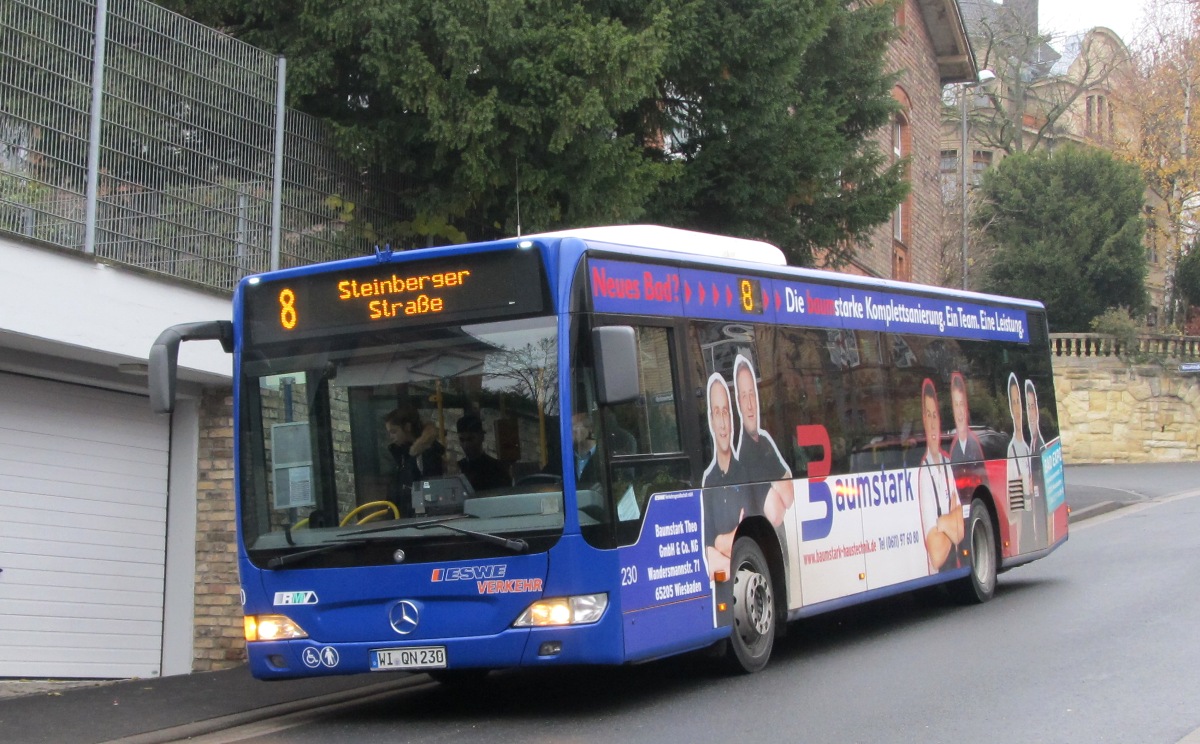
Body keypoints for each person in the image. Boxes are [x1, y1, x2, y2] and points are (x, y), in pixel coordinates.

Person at [732, 355, 794, 526]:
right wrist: (778, 485)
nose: (750, 405)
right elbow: (776, 514)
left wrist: (777, 487)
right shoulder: (746, 454)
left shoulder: (764, 440)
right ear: (739, 402)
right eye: (744, 396)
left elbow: (788, 496)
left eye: (752, 394)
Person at [702, 373, 749, 583]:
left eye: (726, 413)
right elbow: (709, 558)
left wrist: (721, 543)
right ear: (711, 421)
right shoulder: (707, 482)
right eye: (716, 413)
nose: (722, 424)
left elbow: (746, 539)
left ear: (732, 418)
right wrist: (725, 542)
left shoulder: (746, 473)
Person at [917, 379, 963, 574]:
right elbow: (936, 556)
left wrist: (941, 523)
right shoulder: (923, 475)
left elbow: (960, 528)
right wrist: (950, 519)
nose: (933, 422)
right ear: (924, 422)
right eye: (929, 416)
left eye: (936, 415)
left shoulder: (946, 464)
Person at [385, 405, 445, 516]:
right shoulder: (401, 455)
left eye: (394, 431)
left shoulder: (425, 455)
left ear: (407, 427)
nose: (391, 437)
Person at [948, 371, 988, 502]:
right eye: (956, 405)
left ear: (966, 407)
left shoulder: (975, 444)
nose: (959, 411)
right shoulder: (952, 449)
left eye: (962, 404)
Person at [1005, 373, 1031, 552]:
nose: (1017, 408)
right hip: (1025, 513)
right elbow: (1014, 507)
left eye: (1018, 402)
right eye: (1013, 403)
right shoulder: (1012, 449)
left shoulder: (1029, 446)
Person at [455, 414, 511, 492]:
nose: (466, 445)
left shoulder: (496, 469)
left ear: (481, 437)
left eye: (470, 439)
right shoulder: (458, 468)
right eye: (462, 440)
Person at [572, 411, 599, 485]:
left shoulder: (603, 457)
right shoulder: (563, 457)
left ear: (590, 428)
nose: (572, 430)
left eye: (575, 425)